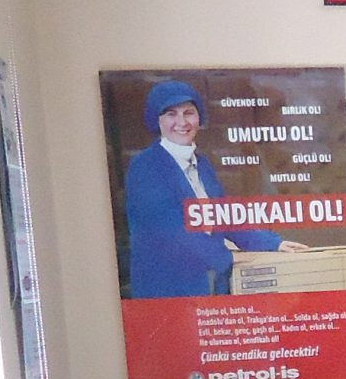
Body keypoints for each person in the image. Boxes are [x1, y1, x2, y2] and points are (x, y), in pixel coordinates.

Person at [121, 80, 289, 298]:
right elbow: (172, 229)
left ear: (199, 118)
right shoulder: (145, 167)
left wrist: (273, 243)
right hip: (167, 290)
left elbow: (224, 217)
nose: (182, 122)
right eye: (171, 114)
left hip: (206, 285)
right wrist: (227, 257)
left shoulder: (202, 164)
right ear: (157, 120)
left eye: (188, 113)